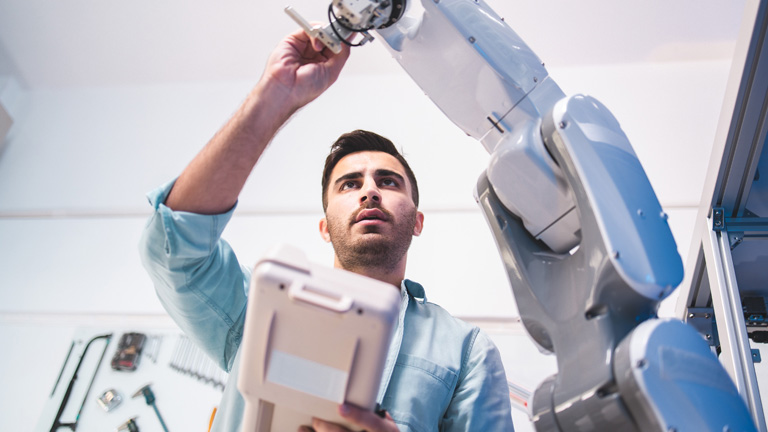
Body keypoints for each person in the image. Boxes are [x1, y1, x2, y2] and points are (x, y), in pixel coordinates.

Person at [139, 28, 514, 432]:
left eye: (388, 182)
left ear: (417, 221)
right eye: (350, 184)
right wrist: (274, 98)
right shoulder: (257, 309)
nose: (370, 191)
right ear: (324, 227)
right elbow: (173, 247)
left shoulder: (466, 352)